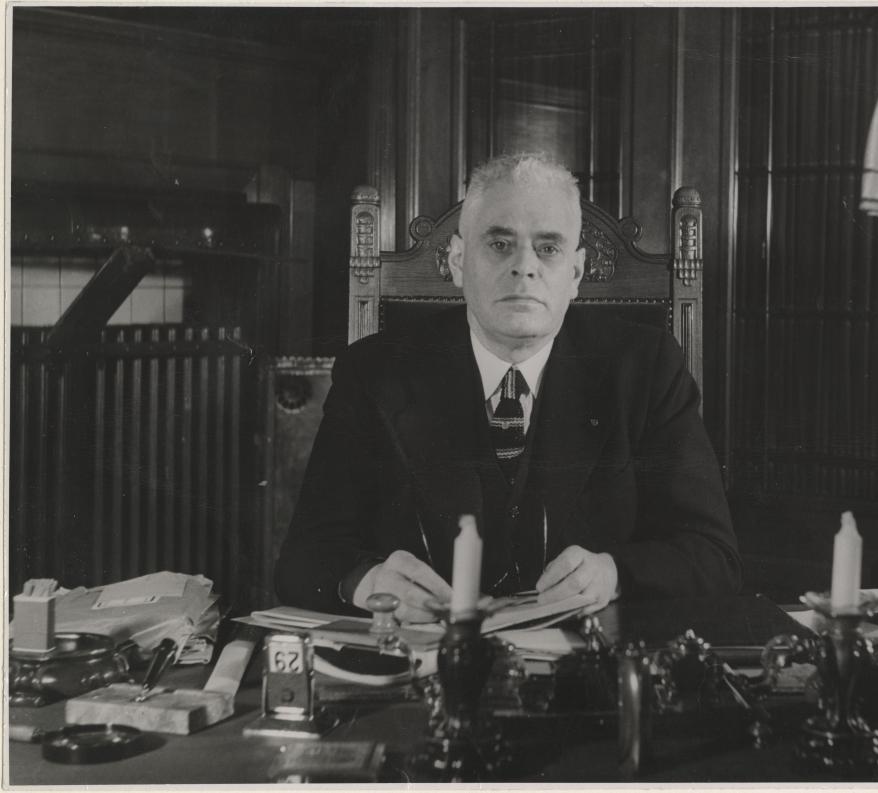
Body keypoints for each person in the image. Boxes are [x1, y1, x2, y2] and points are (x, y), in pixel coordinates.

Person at [276, 153, 740, 622]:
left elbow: (713, 554)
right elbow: (304, 557)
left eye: (549, 248)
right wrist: (367, 581)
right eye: (499, 244)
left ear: (575, 274)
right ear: (457, 261)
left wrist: (614, 573)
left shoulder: (646, 367)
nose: (524, 267)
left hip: (587, 675)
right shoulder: (374, 370)